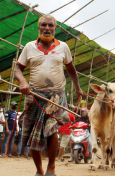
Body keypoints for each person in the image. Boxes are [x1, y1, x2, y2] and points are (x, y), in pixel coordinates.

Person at [14, 14, 82, 176]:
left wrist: (77, 87)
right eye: (44, 25)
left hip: (56, 96)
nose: (47, 28)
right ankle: (39, 170)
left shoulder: (63, 47)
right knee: (31, 133)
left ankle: (51, 167)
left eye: (50, 25)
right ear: (39, 27)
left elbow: (71, 69)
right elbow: (18, 69)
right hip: (34, 96)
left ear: (55, 28)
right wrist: (23, 82)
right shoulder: (29, 47)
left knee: (52, 131)